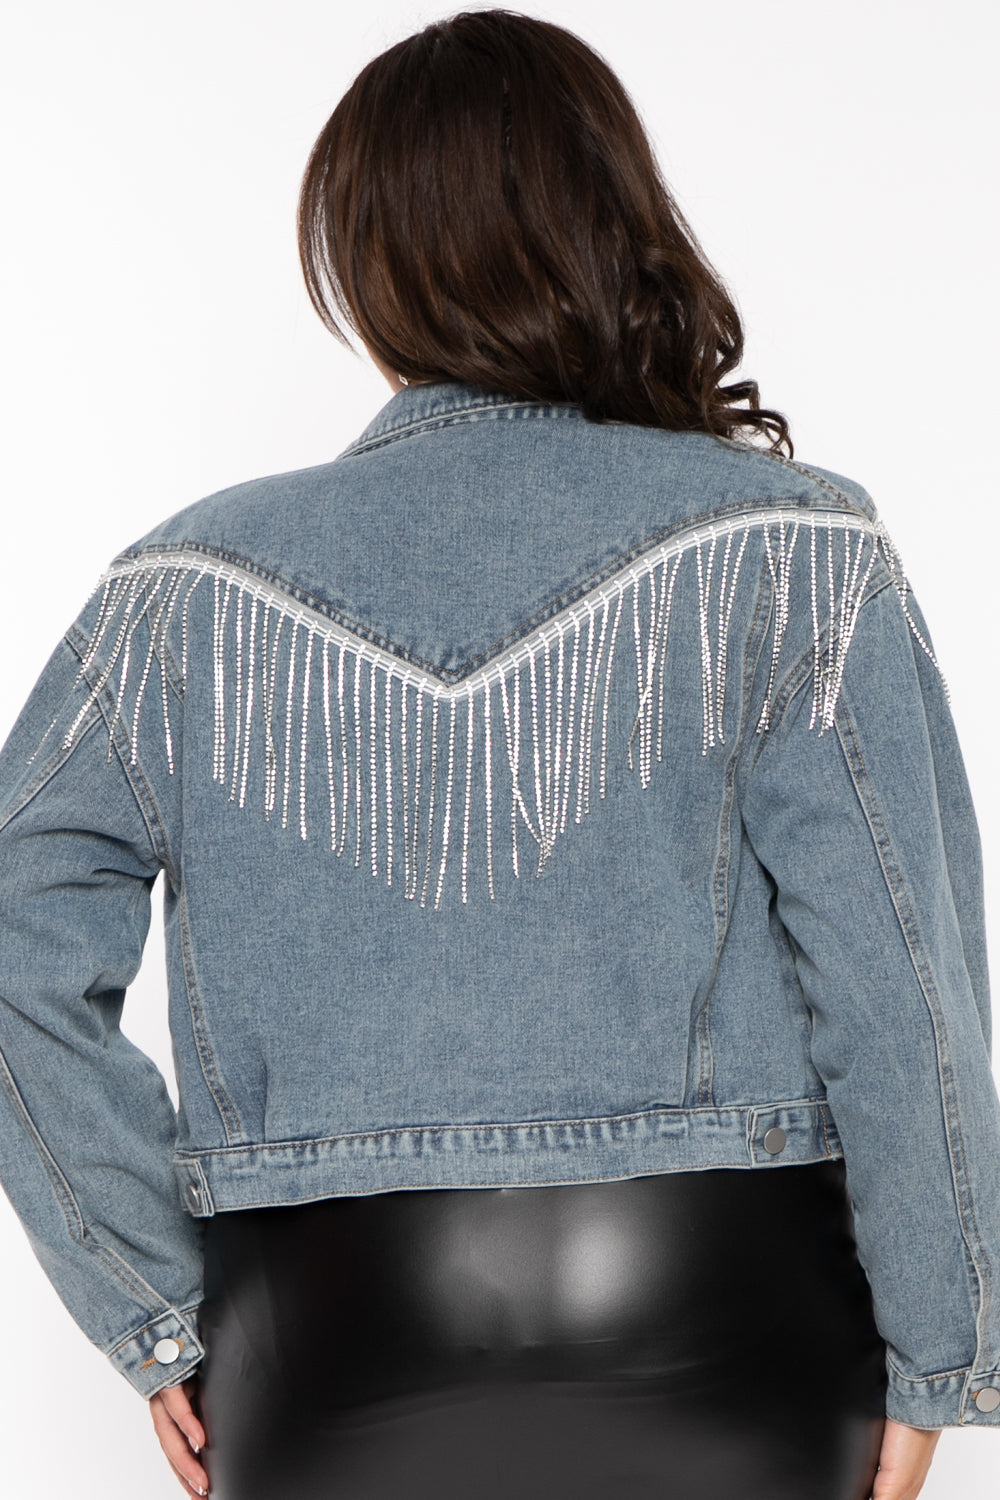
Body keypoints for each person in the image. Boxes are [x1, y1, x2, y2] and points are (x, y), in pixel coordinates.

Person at [0, 9, 997, 1499]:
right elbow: (903, 979)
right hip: (733, 1331)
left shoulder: (179, 593)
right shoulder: (796, 551)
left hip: (322, 1349)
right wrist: (942, 1347)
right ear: (614, 221)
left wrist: (151, 1306)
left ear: (365, 262)